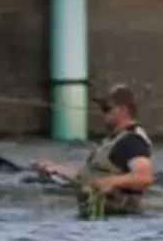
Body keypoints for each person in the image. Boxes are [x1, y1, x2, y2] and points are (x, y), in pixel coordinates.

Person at [34, 83, 154, 217]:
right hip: (98, 219)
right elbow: (88, 181)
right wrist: (57, 170)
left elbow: (143, 178)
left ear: (123, 110)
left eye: (106, 108)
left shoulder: (132, 141)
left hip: (119, 222)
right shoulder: (112, 141)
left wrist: (110, 182)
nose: (103, 114)